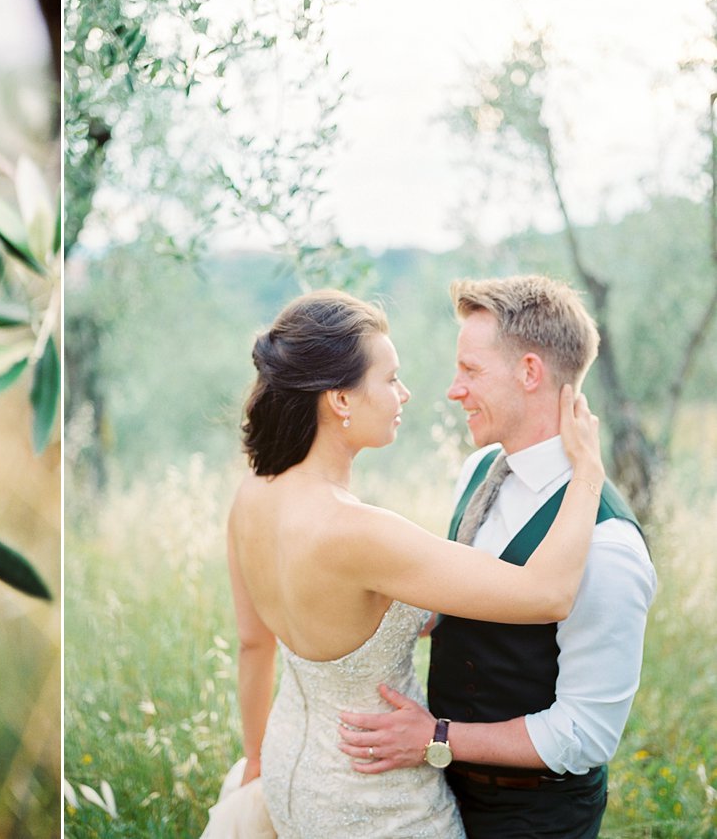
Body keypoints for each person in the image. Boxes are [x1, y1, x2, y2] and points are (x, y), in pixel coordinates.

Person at [201, 289, 605, 839]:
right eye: (389, 379)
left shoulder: (251, 495)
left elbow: (254, 645)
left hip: (292, 773)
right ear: (340, 400)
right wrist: (587, 473)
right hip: (376, 803)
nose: (405, 393)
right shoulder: (360, 532)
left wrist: (254, 760)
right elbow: (547, 595)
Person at [337, 276, 656, 838]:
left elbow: (585, 734)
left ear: (530, 373)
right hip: (438, 799)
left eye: (471, 371)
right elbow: (460, 609)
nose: (453, 390)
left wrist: (436, 738)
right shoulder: (480, 469)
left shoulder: (609, 546)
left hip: (535, 819)